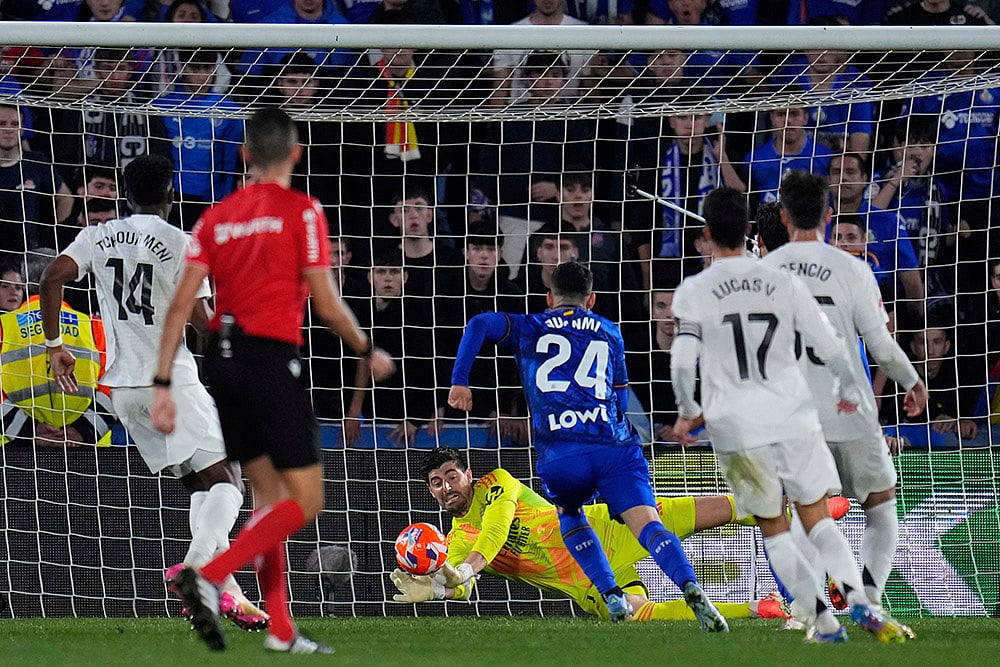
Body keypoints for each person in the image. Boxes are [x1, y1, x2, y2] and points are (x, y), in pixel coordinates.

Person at [148, 107, 394, 654]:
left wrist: (163, 384)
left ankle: (281, 631)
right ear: (296, 154)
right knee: (305, 502)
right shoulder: (302, 212)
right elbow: (327, 303)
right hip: (269, 360)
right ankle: (213, 573)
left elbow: (180, 307)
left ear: (244, 155)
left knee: (265, 499)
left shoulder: (214, 218)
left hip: (220, 361)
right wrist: (366, 348)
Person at [37, 154, 269, 631]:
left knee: (200, 484)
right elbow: (204, 326)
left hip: (122, 390)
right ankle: (200, 569)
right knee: (230, 481)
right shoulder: (182, 244)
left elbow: (51, 276)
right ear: (171, 194)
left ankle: (233, 597)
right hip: (170, 381)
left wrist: (56, 345)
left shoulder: (96, 236)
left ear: (124, 194)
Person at [670, 186, 911, 642]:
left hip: (739, 425)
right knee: (817, 514)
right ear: (750, 231)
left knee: (776, 526)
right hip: (793, 413)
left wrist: (688, 411)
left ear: (704, 234)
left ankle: (820, 619)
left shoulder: (696, 291)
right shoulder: (783, 282)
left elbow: (683, 360)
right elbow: (831, 347)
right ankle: (860, 600)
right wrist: (846, 388)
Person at [444, 260, 728, 631]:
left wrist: (460, 381)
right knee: (648, 523)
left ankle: (611, 592)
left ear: (549, 297)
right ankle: (689, 585)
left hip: (562, 450)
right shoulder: (610, 332)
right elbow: (621, 401)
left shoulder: (532, 326)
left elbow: (480, 323)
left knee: (571, 515)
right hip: (611, 443)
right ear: (591, 299)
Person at [760, 170, 929, 613]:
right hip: (849, 408)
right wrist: (913, 382)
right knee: (880, 502)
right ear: (829, 215)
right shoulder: (853, 269)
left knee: (806, 509)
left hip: (793, 416)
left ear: (783, 215)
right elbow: (882, 347)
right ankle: (870, 597)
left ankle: (812, 609)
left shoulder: (761, 274)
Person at [390, 447, 792, 622]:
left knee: (710, 512)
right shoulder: (455, 538)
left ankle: (813, 509)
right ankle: (761, 608)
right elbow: (461, 581)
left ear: (468, 476)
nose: (446, 487)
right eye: (435, 483)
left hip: (606, 528)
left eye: (451, 476)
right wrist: (442, 588)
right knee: (639, 615)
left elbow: (493, 534)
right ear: (430, 491)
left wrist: (463, 571)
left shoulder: (499, 483)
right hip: (583, 581)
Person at [0, 253, 116, 448]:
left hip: (16, 452)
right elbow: (116, 384)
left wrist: (28, 430)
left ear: (25, 285)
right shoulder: (93, 326)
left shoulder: (4, 326)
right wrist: (83, 429)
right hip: (90, 455)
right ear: (62, 285)